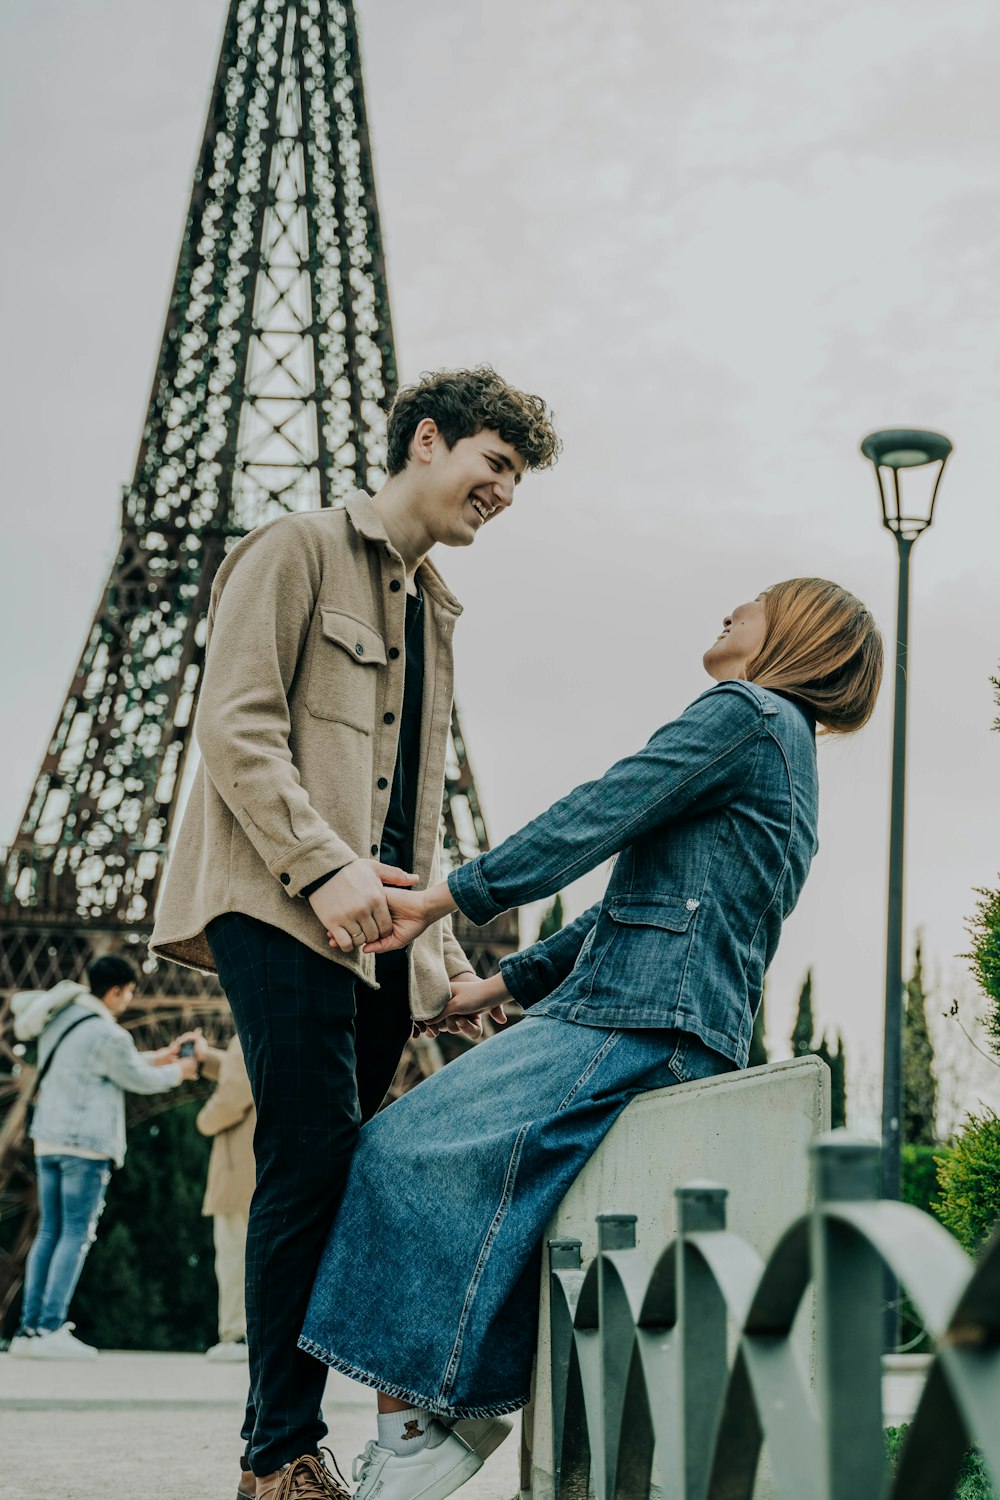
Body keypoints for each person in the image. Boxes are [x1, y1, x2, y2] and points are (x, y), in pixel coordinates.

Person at [298, 577, 884, 1500]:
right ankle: (449, 1410)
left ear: (798, 633)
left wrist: (445, 896)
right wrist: (496, 984)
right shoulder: (792, 753)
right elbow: (633, 908)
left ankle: (421, 1431)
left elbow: (599, 812)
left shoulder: (745, 712)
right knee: (515, 1206)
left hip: (631, 1018)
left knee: (396, 1151)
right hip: (678, 1025)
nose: (731, 604)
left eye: (759, 599)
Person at [149, 367, 560, 1499]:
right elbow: (233, 727)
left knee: (350, 1168)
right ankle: (277, 1456)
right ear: (426, 441)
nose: (504, 494)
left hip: (376, 929)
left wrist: (438, 965)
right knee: (309, 1152)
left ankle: (339, 1427)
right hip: (278, 900)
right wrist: (320, 867)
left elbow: (408, 818)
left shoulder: (433, 610)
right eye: (495, 466)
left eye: (516, 480)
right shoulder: (294, 550)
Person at [8, 955, 198, 1359]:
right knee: (76, 1234)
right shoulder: (108, 1035)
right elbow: (138, 1079)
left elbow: (104, 1067)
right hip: (87, 1147)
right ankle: (52, 1326)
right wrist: (176, 1072)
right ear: (115, 991)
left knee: (49, 1232)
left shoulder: (62, 1021)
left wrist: (158, 1056)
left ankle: (30, 1328)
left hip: (50, 1141)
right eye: (128, 993)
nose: (128, 1002)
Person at [195, 1032, 255, 1362]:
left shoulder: (243, 1034)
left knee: (234, 1253)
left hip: (240, 1169)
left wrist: (203, 1120)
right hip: (267, 1163)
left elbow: (234, 1095)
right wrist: (206, 1060)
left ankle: (236, 1334)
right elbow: (250, 1068)